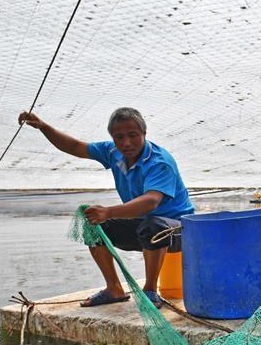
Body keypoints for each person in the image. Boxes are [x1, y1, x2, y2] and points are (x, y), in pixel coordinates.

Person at [18, 107, 194, 309]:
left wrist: (109, 212)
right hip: (142, 224)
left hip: (179, 230)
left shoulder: (160, 162)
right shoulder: (112, 152)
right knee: (95, 226)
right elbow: (75, 146)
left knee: (153, 225)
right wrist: (43, 127)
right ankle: (114, 289)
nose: (126, 143)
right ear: (113, 138)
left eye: (133, 135)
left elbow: (151, 201)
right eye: (119, 137)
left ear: (144, 134)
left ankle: (151, 290)